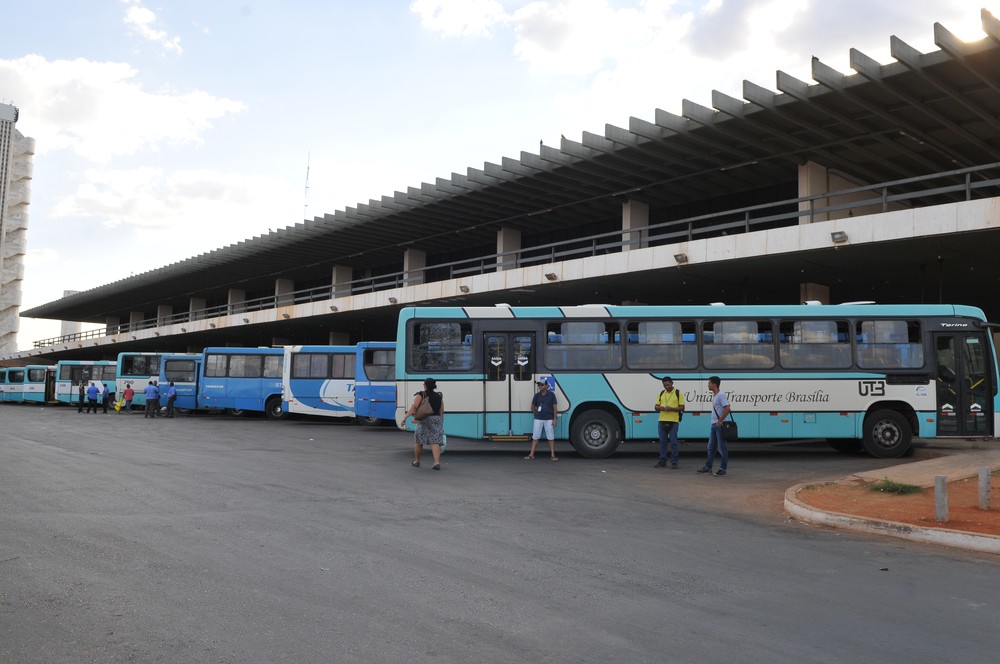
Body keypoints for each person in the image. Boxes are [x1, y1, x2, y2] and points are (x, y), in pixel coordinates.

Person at [404, 378, 444, 470]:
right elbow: (442, 411)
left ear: (425, 385)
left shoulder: (421, 394)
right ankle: (436, 462)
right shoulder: (439, 396)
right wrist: (441, 423)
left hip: (424, 419)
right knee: (435, 441)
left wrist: (405, 417)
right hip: (436, 419)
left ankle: (417, 461)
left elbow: (414, 407)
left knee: (419, 440)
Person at [698, 375, 731, 477]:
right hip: (714, 425)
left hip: (718, 425)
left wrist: (720, 421)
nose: (708, 385)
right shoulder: (715, 395)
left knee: (722, 448)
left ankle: (722, 469)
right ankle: (708, 468)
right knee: (711, 447)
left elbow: (727, 408)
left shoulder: (721, 395)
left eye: (709, 383)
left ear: (714, 384)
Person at [654, 376, 685, 469]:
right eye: (664, 385)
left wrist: (671, 408)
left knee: (673, 442)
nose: (666, 387)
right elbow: (656, 406)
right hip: (662, 420)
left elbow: (682, 407)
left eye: (668, 385)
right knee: (662, 442)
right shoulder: (661, 393)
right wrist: (661, 408)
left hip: (673, 421)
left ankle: (674, 462)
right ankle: (662, 461)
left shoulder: (678, 393)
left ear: (672, 383)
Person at [524, 378, 559, 461]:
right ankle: (531, 454)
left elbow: (555, 407)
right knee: (535, 436)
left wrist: (555, 419)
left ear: (547, 386)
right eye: (539, 385)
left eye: (542, 385)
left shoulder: (552, 395)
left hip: (549, 419)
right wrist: (536, 414)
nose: (540, 386)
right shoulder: (536, 395)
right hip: (538, 419)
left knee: (550, 437)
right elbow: (532, 407)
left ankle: (553, 455)